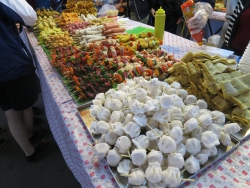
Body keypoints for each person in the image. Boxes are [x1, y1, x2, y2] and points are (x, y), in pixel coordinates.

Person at [0, 0, 41, 161]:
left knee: (10, 113)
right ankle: (29, 135)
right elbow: (30, 17)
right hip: (10, 63)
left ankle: (28, 151)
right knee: (26, 107)